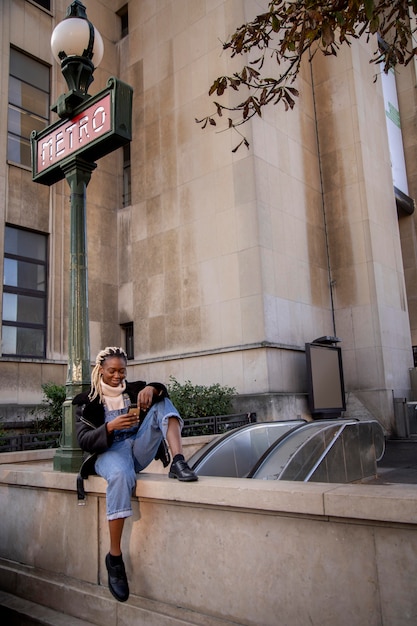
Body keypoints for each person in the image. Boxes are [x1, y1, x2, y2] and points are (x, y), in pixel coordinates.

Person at [74, 346, 197, 603]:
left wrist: (152, 389)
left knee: (164, 402)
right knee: (120, 476)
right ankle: (115, 558)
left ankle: (178, 460)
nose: (118, 376)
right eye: (112, 371)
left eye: (122, 371)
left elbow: (161, 390)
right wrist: (109, 427)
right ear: (101, 370)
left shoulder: (134, 389)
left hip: (137, 446)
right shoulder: (85, 401)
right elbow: (83, 440)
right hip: (109, 452)